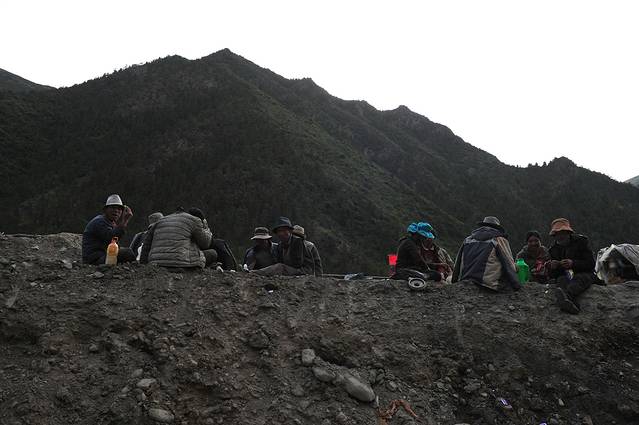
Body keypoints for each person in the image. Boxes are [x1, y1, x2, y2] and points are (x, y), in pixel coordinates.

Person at [452, 216, 519, 291]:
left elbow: (457, 263)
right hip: (488, 284)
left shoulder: (467, 240)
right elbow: (508, 264)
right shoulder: (499, 239)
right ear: (497, 228)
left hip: (465, 279)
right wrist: (516, 284)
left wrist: (454, 281)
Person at [547, 218, 596, 314]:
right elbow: (554, 275)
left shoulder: (581, 242)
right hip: (567, 275)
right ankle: (571, 304)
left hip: (585, 273)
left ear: (568, 233)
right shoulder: (553, 250)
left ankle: (567, 299)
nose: (560, 236)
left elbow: (591, 263)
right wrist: (554, 267)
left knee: (578, 279)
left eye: (563, 233)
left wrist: (573, 263)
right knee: (561, 280)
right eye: (558, 234)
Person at [140, 208, 216, 268]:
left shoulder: (160, 221)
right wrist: (206, 227)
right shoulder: (194, 220)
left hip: (157, 263)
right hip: (183, 263)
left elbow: (146, 245)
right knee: (213, 253)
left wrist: (143, 265)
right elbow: (206, 244)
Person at [82, 194, 136, 265]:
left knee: (129, 251)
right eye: (113, 208)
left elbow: (114, 244)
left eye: (119, 209)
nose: (116, 211)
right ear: (105, 210)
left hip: (103, 256)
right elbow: (111, 238)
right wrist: (124, 221)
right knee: (127, 253)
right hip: (95, 259)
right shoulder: (99, 222)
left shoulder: (111, 223)